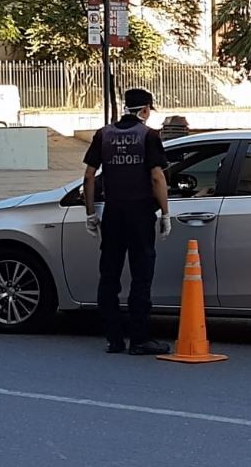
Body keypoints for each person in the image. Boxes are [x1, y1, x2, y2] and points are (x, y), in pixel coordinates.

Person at [83, 88, 172, 355]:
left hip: (113, 214)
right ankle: (140, 339)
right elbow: (157, 177)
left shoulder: (103, 134)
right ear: (145, 110)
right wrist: (165, 213)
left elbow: (89, 175)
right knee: (141, 276)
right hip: (140, 214)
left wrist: (89, 213)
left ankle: (113, 339)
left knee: (109, 276)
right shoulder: (149, 136)